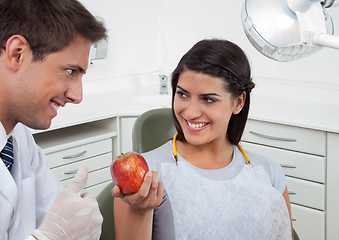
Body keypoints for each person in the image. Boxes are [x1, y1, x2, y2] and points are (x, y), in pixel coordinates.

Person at [112, 39, 293, 239]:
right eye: (183, 95)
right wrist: (140, 211)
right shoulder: (144, 177)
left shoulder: (269, 173)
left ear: (238, 102)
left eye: (208, 99)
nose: (191, 112)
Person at [0, 0, 107, 239]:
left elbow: (58, 214)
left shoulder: (18, 141)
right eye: (70, 71)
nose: (77, 96)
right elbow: (55, 231)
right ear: (17, 54)